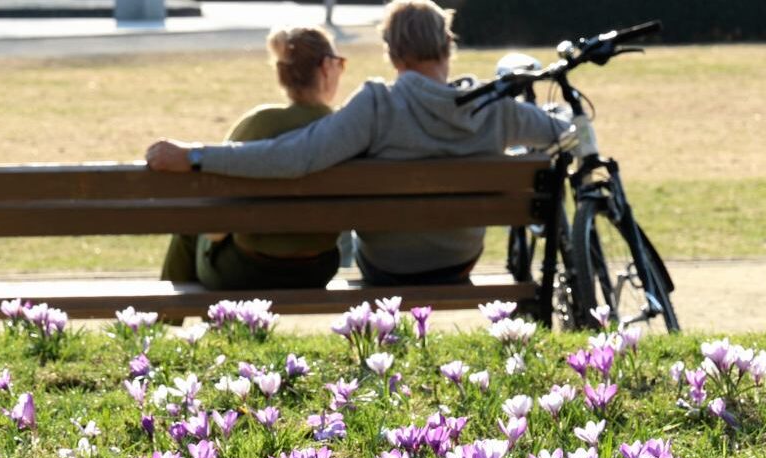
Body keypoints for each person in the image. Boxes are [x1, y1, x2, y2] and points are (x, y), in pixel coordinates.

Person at [146, 0, 592, 286]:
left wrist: (197, 156)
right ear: (447, 48)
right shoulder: (493, 107)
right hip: (458, 262)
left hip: (388, 269)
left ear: (393, 55)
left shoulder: (377, 106)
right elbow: (569, 134)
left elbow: (295, 156)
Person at [159, 26, 347, 289]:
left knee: (190, 227)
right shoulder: (344, 128)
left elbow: (215, 229)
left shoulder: (258, 124)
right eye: (340, 63)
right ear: (327, 67)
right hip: (317, 270)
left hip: (246, 272)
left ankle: (162, 324)